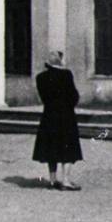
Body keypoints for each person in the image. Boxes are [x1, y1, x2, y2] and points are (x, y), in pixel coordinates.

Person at [32, 50, 82, 190]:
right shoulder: (66, 75)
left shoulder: (40, 77)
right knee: (68, 147)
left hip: (48, 115)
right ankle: (65, 180)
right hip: (66, 115)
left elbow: (43, 98)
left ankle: (52, 180)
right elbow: (73, 96)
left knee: (51, 146)